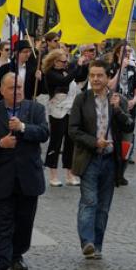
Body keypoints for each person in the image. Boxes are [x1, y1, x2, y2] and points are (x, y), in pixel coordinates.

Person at [0, 73, 50, 270]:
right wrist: (0, 143)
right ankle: (1, 260)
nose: (16, 91)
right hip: (2, 175)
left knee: (24, 222)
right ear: (1, 90)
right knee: (1, 221)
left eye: (19, 87)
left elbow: (44, 133)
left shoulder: (36, 109)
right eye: (11, 88)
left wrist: (23, 127)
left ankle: (17, 255)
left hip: (28, 176)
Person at [68, 60, 134, 260]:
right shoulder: (82, 99)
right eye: (92, 75)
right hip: (89, 158)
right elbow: (73, 131)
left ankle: (97, 245)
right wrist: (95, 142)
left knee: (103, 206)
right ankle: (86, 241)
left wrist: (118, 110)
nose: (96, 79)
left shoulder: (117, 100)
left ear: (108, 78)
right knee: (89, 201)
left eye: (100, 75)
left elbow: (129, 126)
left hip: (110, 161)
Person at [43, 49, 87, 187]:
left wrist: (84, 66)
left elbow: (79, 77)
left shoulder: (67, 70)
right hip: (57, 110)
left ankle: (70, 173)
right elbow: (65, 81)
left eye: (66, 60)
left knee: (70, 141)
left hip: (70, 110)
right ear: (55, 61)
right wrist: (78, 66)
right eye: (63, 61)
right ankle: (53, 174)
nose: (66, 63)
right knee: (56, 141)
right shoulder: (50, 73)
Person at [108, 41, 136, 183]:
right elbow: (110, 85)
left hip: (129, 109)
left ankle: (121, 172)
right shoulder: (111, 68)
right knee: (114, 139)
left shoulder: (135, 69)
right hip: (114, 108)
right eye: (124, 51)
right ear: (117, 53)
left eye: (129, 51)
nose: (128, 53)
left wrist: (134, 101)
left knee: (127, 142)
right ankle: (111, 171)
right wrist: (120, 69)